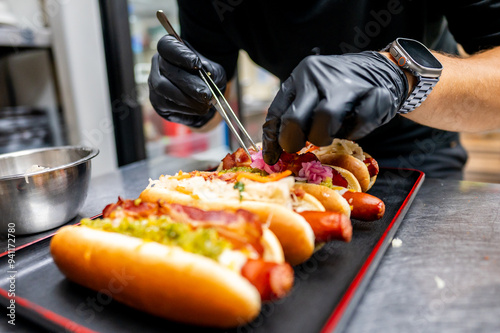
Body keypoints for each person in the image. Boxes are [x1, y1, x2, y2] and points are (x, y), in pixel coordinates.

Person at [148, 0, 500, 179]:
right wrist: (184, 96)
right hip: (298, 156)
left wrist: (399, 75)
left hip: (418, 153)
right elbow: (211, 97)